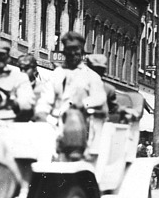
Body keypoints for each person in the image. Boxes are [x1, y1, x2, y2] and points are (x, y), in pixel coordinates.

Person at [35, 31, 107, 159]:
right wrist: (41, 112)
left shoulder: (91, 76)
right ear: (64, 52)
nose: (73, 54)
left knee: (73, 120)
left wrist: (84, 103)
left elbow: (99, 98)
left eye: (76, 50)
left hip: (81, 122)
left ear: (82, 52)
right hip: (54, 122)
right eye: (69, 50)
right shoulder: (56, 74)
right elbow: (46, 100)